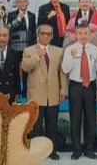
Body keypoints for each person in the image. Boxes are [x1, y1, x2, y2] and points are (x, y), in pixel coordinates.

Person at [20, 24, 67, 160]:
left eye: (48, 34)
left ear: (52, 36)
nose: (45, 36)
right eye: (43, 34)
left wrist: (63, 90)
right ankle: (36, 152)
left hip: (52, 94)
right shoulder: (29, 50)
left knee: (52, 125)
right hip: (36, 94)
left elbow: (62, 73)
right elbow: (25, 67)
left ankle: (52, 151)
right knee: (36, 126)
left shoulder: (59, 51)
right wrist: (37, 57)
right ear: (38, 35)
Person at [61, 25, 97, 160]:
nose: (83, 36)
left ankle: (89, 149)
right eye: (80, 33)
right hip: (76, 86)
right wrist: (71, 57)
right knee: (75, 118)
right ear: (76, 35)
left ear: (90, 35)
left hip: (90, 86)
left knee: (91, 119)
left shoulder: (95, 50)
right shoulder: (69, 49)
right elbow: (65, 69)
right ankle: (76, 149)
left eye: (86, 33)